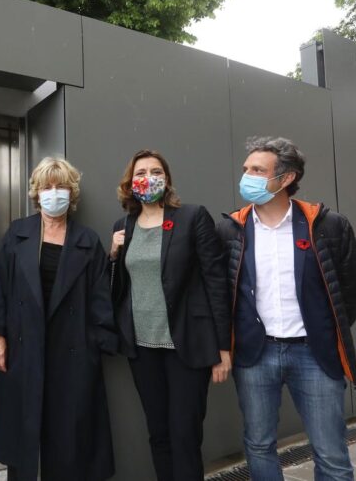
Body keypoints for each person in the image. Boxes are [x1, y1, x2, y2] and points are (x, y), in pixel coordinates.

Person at [216, 137, 356, 481]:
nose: (247, 176)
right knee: (258, 445)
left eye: (257, 170)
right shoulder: (230, 229)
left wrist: (325, 332)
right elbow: (222, 294)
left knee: (331, 453)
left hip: (314, 354)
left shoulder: (327, 226)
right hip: (255, 354)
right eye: (245, 169)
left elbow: (352, 291)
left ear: (286, 178)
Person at [0, 157, 117, 481]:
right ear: (36, 193)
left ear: (72, 194)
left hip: (72, 350)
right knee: (23, 429)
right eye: (47, 187)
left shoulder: (87, 240)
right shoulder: (18, 233)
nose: (54, 193)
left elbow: (100, 299)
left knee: (70, 434)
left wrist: (96, 345)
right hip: (24, 346)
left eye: (61, 187)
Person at [109, 149, 231, 481]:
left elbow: (216, 282)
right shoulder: (124, 226)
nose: (147, 178)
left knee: (185, 436)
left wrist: (223, 348)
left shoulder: (192, 217)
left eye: (155, 171)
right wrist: (113, 255)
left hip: (186, 347)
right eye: (140, 173)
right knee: (158, 433)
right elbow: (116, 290)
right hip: (142, 348)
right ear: (130, 182)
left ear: (167, 179)